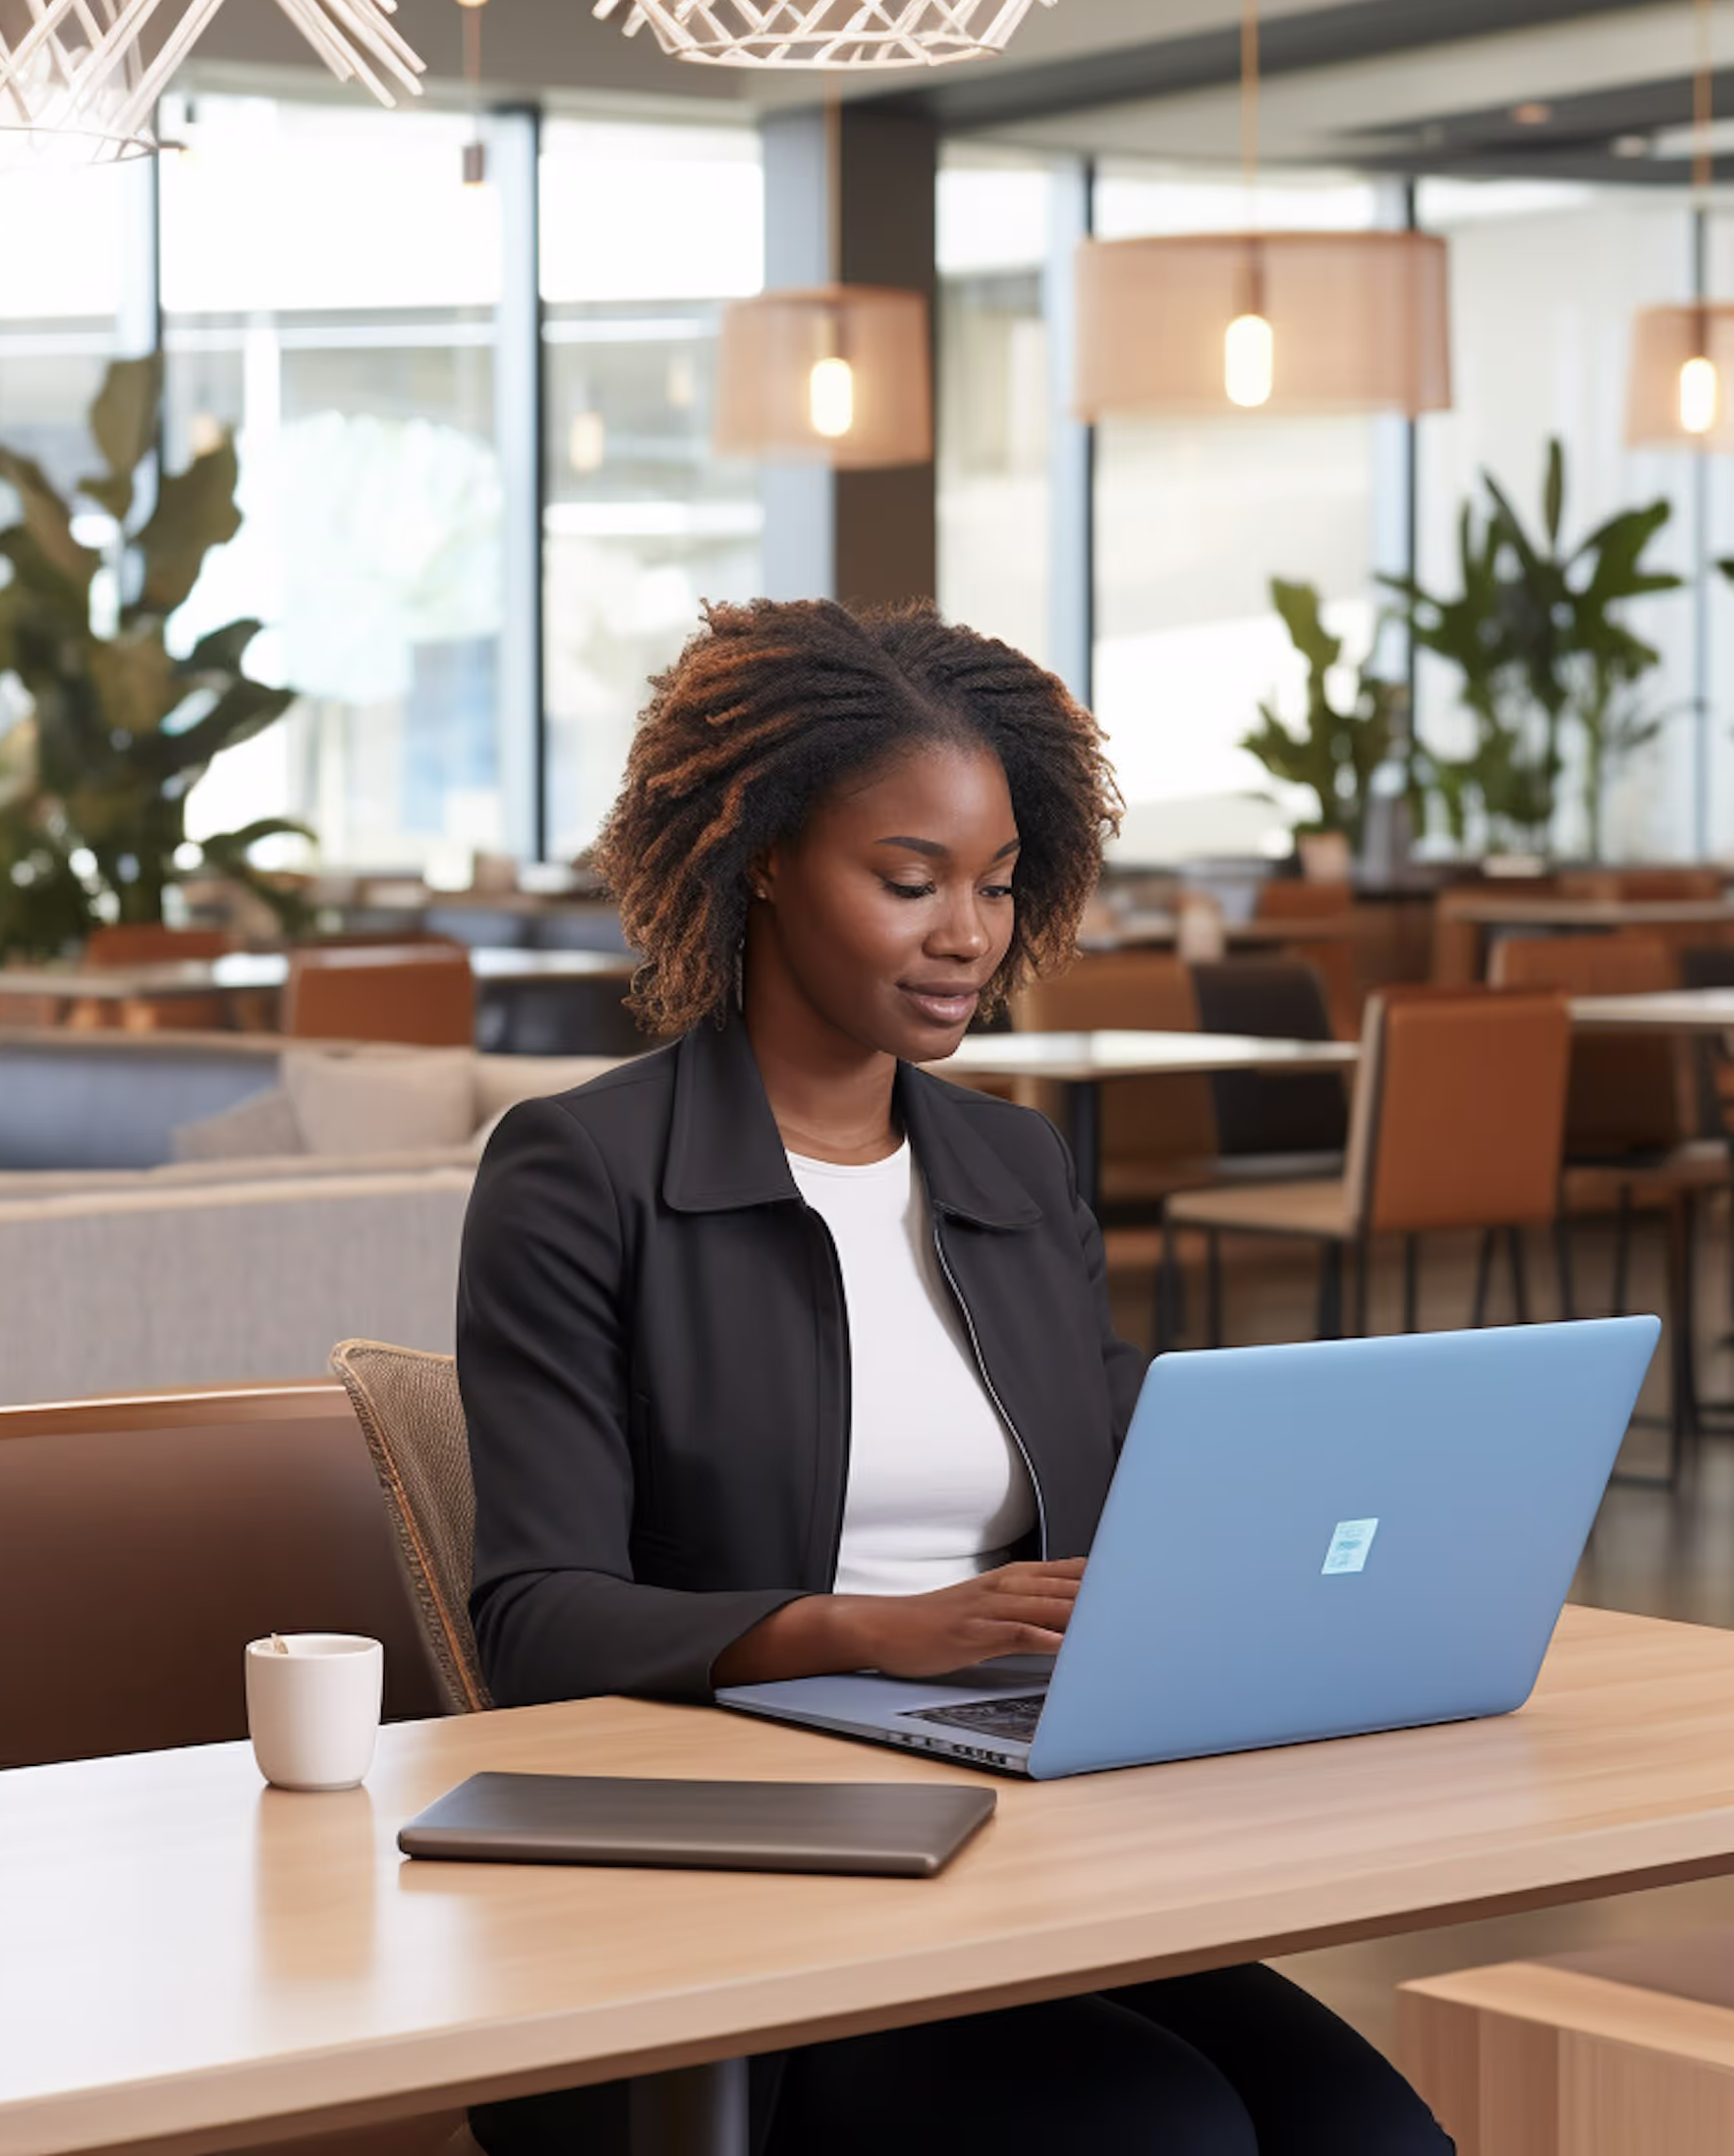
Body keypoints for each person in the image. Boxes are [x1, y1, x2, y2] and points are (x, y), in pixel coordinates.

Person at [457, 600, 1451, 2156]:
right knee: (1165, 2133)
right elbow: (535, 1619)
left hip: (1029, 1818)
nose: (968, 935)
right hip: (734, 1866)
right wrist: (877, 1635)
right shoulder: (580, 1173)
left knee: (1372, 2133)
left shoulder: (1010, 1163)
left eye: (994, 886)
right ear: (766, 857)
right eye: (908, 882)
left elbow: (1128, 1467)